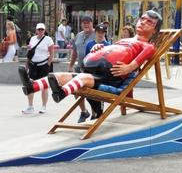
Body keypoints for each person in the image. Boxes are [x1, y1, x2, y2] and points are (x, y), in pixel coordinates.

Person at [19, 11, 162, 105]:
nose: (143, 22)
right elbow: (111, 49)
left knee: (81, 79)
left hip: (111, 78)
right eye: (142, 19)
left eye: (149, 22)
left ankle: (62, 92)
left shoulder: (148, 46)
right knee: (60, 76)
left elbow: (139, 60)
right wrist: (98, 48)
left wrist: (129, 67)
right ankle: (32, 86)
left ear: (155, 30)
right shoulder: (125, 40)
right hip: (96, 69)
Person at [21, 23, 54, 114]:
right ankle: (30, 106)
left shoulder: (48, 39)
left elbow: (51, 53)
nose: (40, 31)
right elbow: (30, 53)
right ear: (36, 30)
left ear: (44, 30)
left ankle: (44, 106)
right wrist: (26, 66)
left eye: (42, 29)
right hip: (33, 65)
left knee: (44, 86)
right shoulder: (32, 39)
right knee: (30, 85)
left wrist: (48, 64)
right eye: (38, 29)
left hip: (44, 65)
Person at [68, 15, 96, 122]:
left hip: (92, 68)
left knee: (92, 93)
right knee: (76, 90)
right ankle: (84, 111)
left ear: (92, 23)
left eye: (88, 22)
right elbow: (74, 52)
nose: (86, 24)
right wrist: (70, 65)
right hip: (79, 67)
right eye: (84, 22)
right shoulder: (79, 35)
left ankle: (95, 113)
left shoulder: (96, 34)